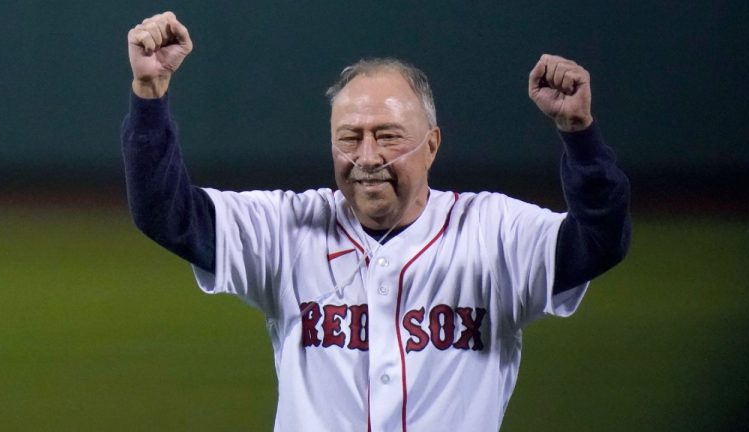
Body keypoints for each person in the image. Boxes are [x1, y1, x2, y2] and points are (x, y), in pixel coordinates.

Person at [122, 11, 631, 432]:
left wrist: (579, 135)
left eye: (387, 135)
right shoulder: (288, 229)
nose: (367, 155)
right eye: (350, 137)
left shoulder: (493, 232)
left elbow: (600, 240)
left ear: (431, 145)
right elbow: (165, 212)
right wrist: (149, 94)